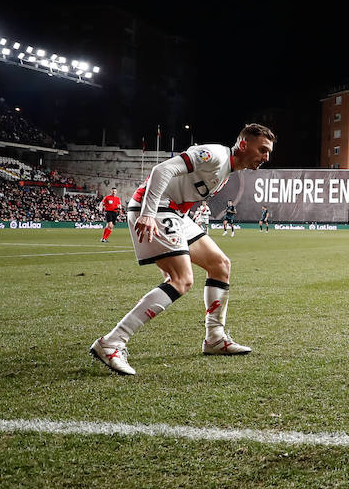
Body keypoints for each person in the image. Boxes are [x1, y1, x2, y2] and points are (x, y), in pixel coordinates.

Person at [89, 123, 276, 376]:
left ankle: (215, 339)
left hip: (174, 212)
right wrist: (148, 213)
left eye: (268, 152)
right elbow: (161, 169)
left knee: (220, 265)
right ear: (243, 144)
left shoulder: (227, 170)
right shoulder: (215, 155)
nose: (266, 157)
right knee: (181, 280)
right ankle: (112, 341)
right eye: (262, 149)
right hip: (156, 208)